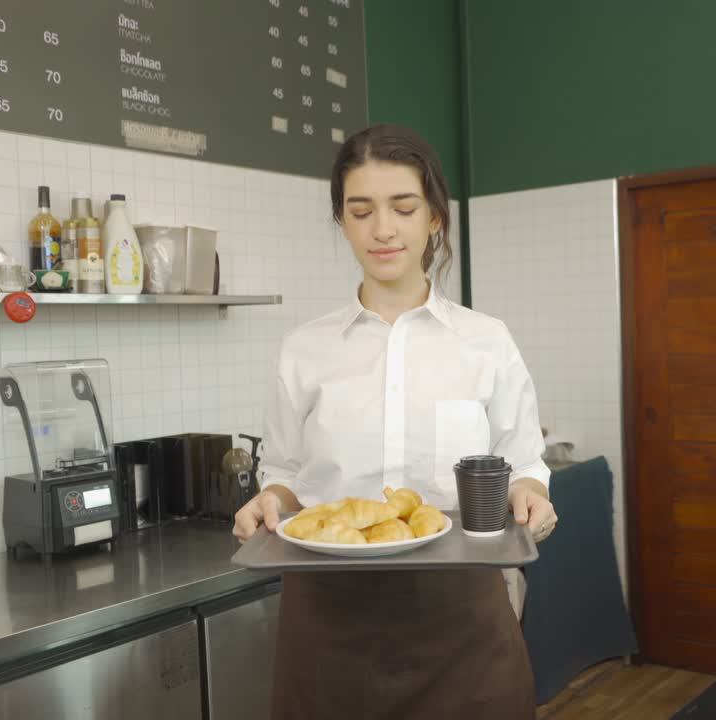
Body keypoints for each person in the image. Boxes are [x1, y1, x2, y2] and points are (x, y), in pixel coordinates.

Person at [233, 123, 558, 719]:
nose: (382, 229)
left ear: (433, 216)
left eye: (402, 208)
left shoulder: (485, 341)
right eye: (360, 212)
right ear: (343, 223)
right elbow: (283, 470)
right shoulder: (304, 349)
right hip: (328, 625)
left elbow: (521, 461)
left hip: (460, 621)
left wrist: (531, 491)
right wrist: (268, 501)